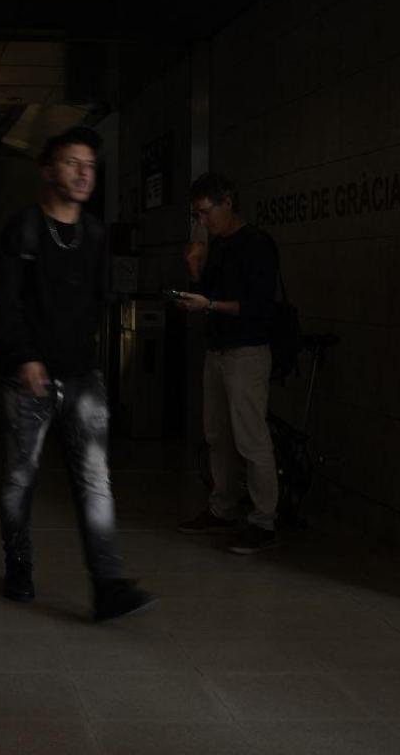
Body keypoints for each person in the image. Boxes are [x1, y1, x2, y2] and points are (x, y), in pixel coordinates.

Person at [0, 125, 156, 621]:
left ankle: (107, 585)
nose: (85, 173)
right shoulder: (24, 228)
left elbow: (97, 301)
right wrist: (25, 356)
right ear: (48, 171)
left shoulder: (96, 235)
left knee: (96, 481)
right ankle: (19, 566)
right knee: (20, 479)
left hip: (82, 377)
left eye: (90, 165)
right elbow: (5, 302)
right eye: (72, 163)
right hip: (28, 378)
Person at [173, 172, 282, 555]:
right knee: (217, 435)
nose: (203, 221)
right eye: (198, 215)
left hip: (247, 351)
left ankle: (264, 520)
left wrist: (211, 304)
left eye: (206, 212)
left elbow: (259, 307)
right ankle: (223, 508)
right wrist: (194, 270)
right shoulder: (218, 245)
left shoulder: (257, 244)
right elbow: (207, 296)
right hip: (218, 350)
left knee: (251, 438)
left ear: (228, 202)